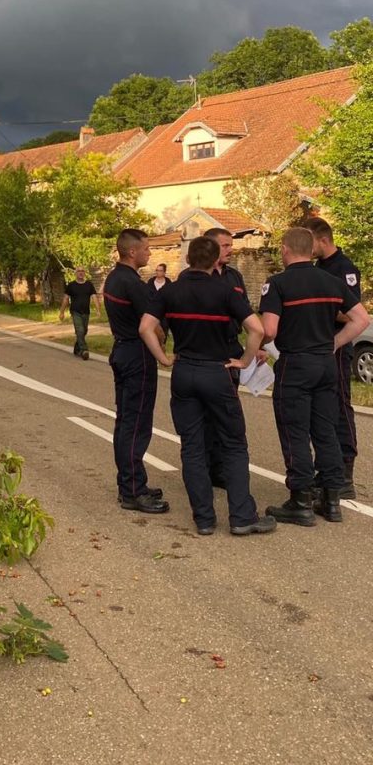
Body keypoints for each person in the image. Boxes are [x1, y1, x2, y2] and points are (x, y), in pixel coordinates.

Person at [139, 237, 275, 536]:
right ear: (216, 261)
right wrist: (244, 359)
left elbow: (145, 327)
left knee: (192, 446)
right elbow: (258, 329)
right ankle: (242, 516)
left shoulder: (170, 291)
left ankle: (204, 518)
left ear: (188, 258)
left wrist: (163, 357)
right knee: (234, 444)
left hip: (184, 371)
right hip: (216, 372)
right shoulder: (227, 291)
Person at [259, 227, 369, 526]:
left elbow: (269, 330)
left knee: (295, 430)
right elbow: (361, 319)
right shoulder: (331, 281)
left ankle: (300, 500)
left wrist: (257, 344)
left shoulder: (277, 284)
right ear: (311, 248)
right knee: (325, 430)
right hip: (326, 364)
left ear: (285, 249)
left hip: (295, 363)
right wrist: (336, 341)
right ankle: (332, 499)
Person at [103, 229, 169, 513]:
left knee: (126, 420)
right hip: (137, 355)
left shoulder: (114, 278)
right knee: (137, 424)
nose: (150, 253)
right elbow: (151, 324)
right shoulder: (133, 283)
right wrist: (163, 345)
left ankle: (130, 483)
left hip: (121, 349)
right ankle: (132, 491)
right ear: (132, 252)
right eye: (146, 249)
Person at [305, 216, 362, 499]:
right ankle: (327, 469)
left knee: (340, 404)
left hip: (338, 346)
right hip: (318, 345)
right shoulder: (317, 267)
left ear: (322, 239)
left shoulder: (344, 268)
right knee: (322, 408)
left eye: (309, 241)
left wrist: (320, 309)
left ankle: (345, 472)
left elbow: (351, 311)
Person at [200, 227, 250, 489]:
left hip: (231, 350)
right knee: (204, 415)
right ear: (209, 247)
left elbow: (247, 314)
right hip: (205, 353)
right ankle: (204, 468)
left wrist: (257, 347)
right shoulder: (193, 277)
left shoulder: (235, 276)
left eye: (232, 245)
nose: (231, 250)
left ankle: (220, 469)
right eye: (226, 245)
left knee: (227, 414)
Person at [59, 266, 101, 360]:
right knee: (80, 330)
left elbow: (94, 297)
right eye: (79, 271)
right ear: (75, 273)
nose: (81, 273)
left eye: (82, 271)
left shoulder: (89, 285)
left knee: (84, 331)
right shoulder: (71, 285)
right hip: (75, 312)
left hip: (86, 312)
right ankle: (84, 350)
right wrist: (62, 312)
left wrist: (98, 310)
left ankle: (76, 348)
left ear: (84, 273)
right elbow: (66, 299)